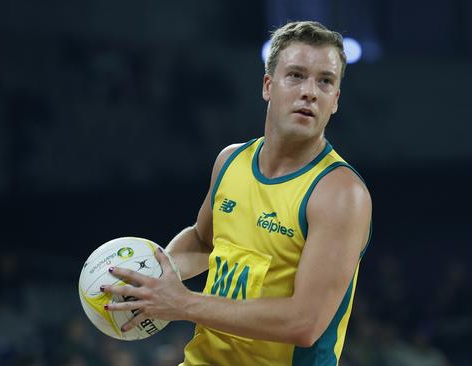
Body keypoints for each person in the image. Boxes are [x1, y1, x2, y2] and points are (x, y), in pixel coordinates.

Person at [103, 20, 372, 365]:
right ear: (268, 86)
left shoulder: (340, 193)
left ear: (334, 100)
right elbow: (203, 241)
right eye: (296, 76)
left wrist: (181, 303)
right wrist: (155, 276)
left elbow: (305, 322)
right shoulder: (231, 161)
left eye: (325, 81)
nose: (310, 91)